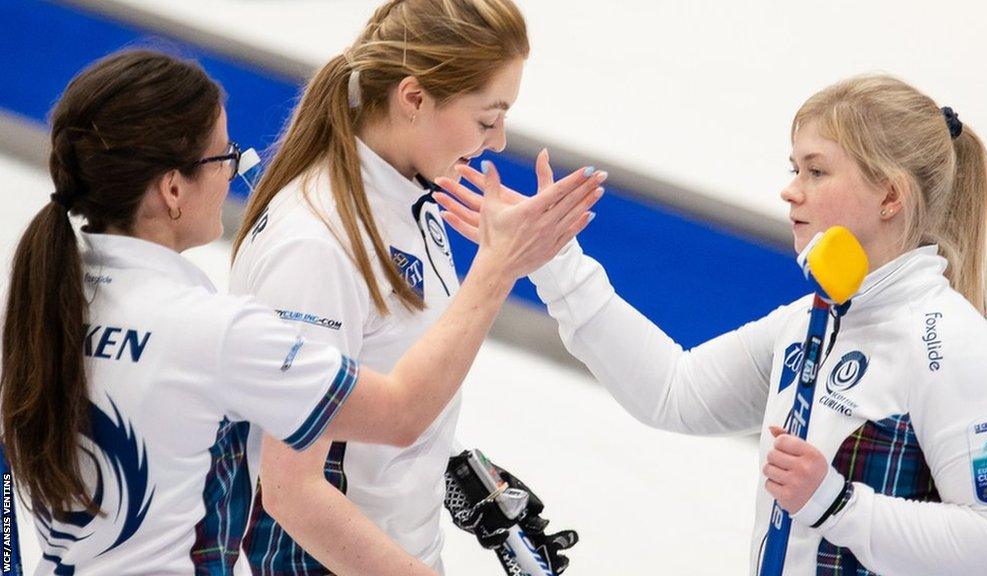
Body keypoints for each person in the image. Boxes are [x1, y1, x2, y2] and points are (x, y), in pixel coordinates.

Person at [0, 49, 600, 575]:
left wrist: (441, 463)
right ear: (172, 190)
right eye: (223, 157)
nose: (237, 171)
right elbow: (397, 413)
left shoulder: (39, 305)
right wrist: (498, 266)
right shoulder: (215, 331)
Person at [436, 74, 987, 574]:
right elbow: (674, 392)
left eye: (816, 172)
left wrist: (838, 505)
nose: (790, 191)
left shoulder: (955, 349)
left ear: (889, 195)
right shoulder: (811, 321)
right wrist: (554, 262)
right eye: (794, 167)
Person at [229, 0, 595, 573]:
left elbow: (375, 383)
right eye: (486, 118)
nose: (498, 142)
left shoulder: (410, 197)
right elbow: (290, 491)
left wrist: (453, 468)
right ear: (414, 98)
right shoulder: (318, 245)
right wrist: (498, 268)